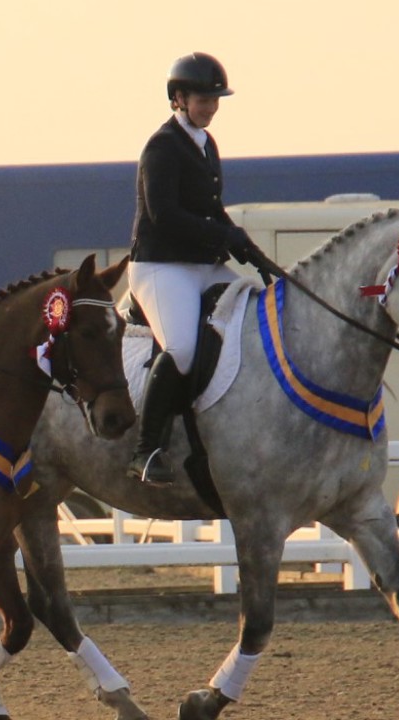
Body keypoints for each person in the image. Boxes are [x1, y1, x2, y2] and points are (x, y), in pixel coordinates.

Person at [125, 53, 265, 485]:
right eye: (203, 99)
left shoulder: (206, 145)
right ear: (179, 99)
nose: (211, 107)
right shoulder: (161, 147)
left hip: (201, 266)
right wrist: (224, 238)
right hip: (161, 267)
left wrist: (247, 250)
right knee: (182, 348)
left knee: (256, 315)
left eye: (215, 99)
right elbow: (165, 215)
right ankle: (146, 450)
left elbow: (209, 209)